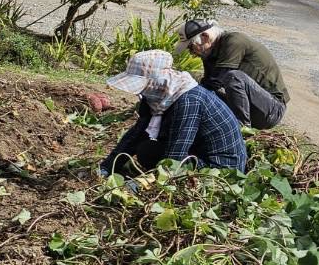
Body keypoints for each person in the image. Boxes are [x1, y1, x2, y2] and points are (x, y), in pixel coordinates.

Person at [101, 49, 247, 175]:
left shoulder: (189, 101)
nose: (140, 92)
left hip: (220, 168)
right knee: (147, 150)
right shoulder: (160, 97)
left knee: (153, 154)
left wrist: (145, 185)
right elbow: (137, 134)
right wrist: (107, 167)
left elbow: (176, 155)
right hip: (197, 151)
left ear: (157, 81)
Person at [180, 18, 288, 130]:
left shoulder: (234, 41)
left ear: (205, 37)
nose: (191, 53)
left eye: (191, 47)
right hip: (251, 106)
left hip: (272, 109)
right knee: (202, 89)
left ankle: (241, 127)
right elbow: (208, 85)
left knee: (233, 77)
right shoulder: (209, 53)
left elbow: (216, 81)